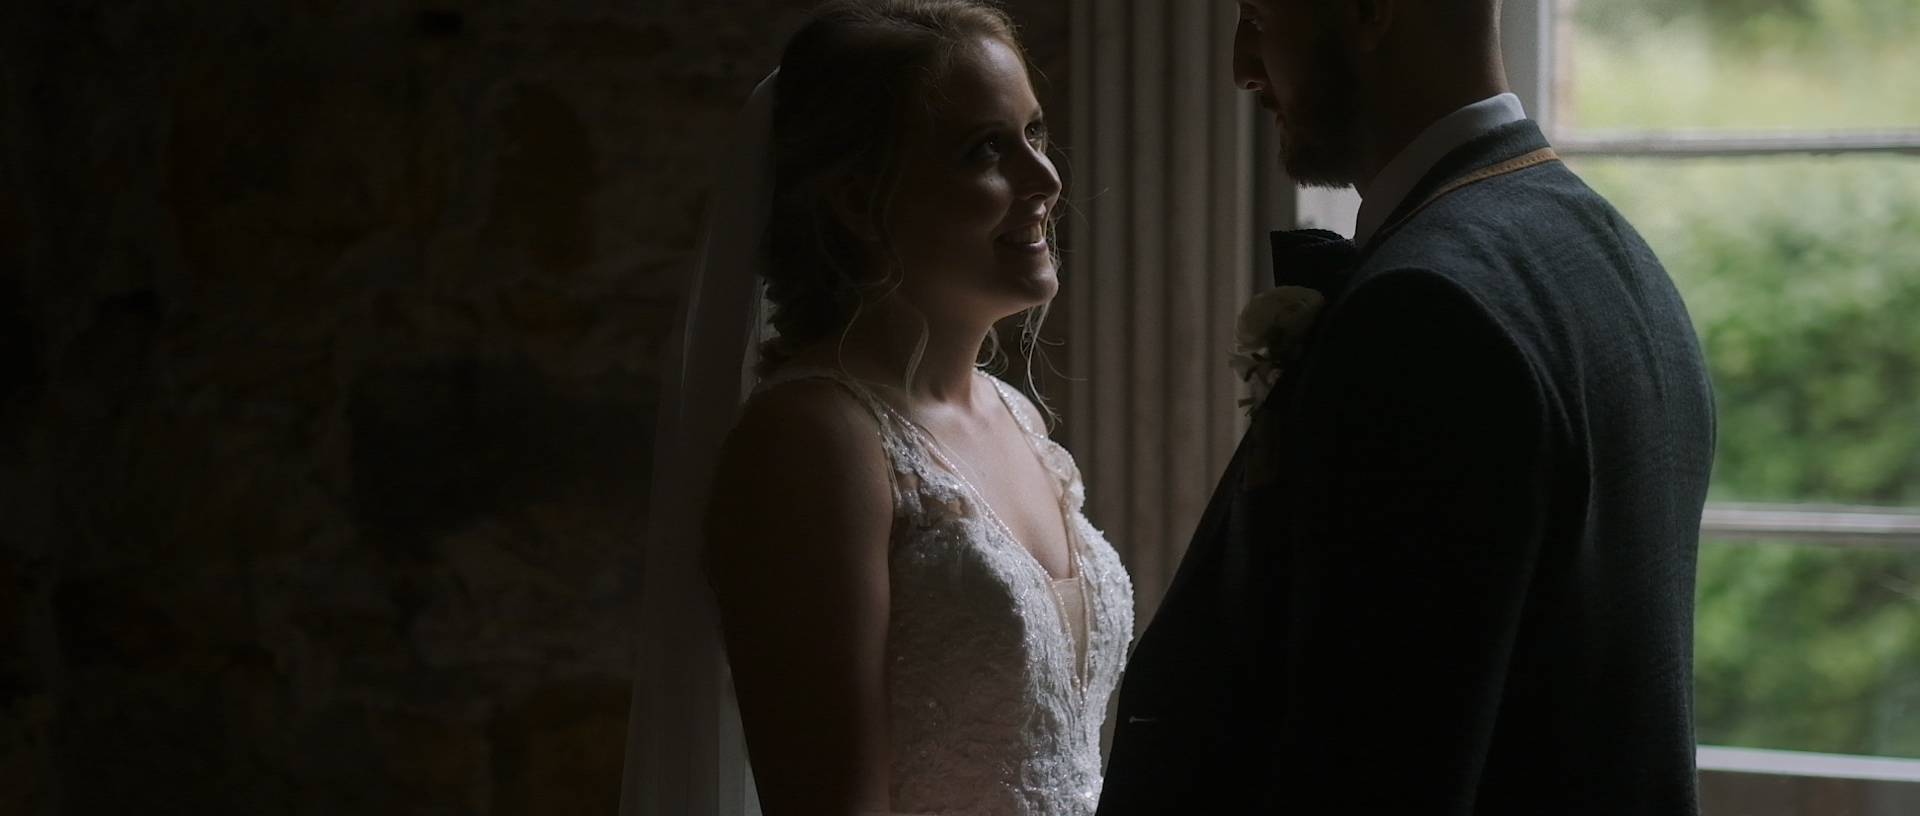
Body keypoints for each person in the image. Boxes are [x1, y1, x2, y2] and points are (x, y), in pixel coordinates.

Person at [1095, 0, 1716, 813]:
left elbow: (1378, 760)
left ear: (1370, 11)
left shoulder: (1425, 312)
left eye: (1258, 16)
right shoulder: (1614, 256)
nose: (1244, 66)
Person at [627, 2, 1136, 815]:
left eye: (1034, 134)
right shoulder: (814, 441)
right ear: (861, 201)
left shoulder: (1017, 418)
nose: (1046, 180)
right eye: (987, 149)